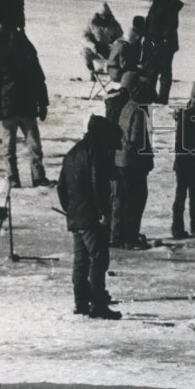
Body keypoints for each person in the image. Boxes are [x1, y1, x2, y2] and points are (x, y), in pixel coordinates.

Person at [58, 115, 123, 319]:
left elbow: (61, 186)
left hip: (76, 215)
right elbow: (98, 184)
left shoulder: (72, 153)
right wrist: (103, 211)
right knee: (98, 258)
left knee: (81, 261)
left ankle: (80, 303)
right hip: (90, 215)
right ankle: (98, 305)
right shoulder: (97, 152)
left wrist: (69, 208)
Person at [0, 30, 53, 187]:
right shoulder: (28, 55)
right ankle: (35, 177)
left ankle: (14, 177)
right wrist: (42, 104)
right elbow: (40, 81)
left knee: (11, 147)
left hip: (11, 108)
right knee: (33, 146)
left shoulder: (1, 56)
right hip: (23, 107)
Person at [111, 72, 155, 249]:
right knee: (136, 199)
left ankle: (118, 235)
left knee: (122, 199)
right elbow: (137, 139)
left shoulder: (127, 106)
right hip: (133, 162)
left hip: (121, 159)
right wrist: (147, 157)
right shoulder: (138, 110)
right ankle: (129, 237)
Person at [171, 96, 195, 239]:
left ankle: (194, 225)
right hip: (185, 162)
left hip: (188, 162)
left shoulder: (194, 118)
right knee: (184, 195)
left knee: (192, 195)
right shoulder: (189, 119)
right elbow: (186, 144)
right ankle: (179, 227)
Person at [145, 0, 184, 104]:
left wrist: (159, 42)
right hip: (163, 43)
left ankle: (158, 98)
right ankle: (160, 97)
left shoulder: (164, 4)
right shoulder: (163, 2)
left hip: (161, 44)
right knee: (161, 72)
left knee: (157, 72)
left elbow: (167, 26)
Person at [82, 3, 123, 80]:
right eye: (102, 15)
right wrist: (93, 45)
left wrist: (114, 45)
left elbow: (120, 37)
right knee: (85, 52)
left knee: (120, 53)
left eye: (106, 15)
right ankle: (92, 72)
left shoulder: (114, 24)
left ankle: (113, 73)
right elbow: (85, 36)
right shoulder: (91, 23)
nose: (104, 17)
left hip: (109, 50)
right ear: (99, 15)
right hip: (96, 50)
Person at [107, 16, 148, 83]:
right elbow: (124, 65)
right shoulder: (124, 45)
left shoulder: (125, 41)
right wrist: (138, 69)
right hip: (116, 72)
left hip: (116, 69)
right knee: (143, 76)